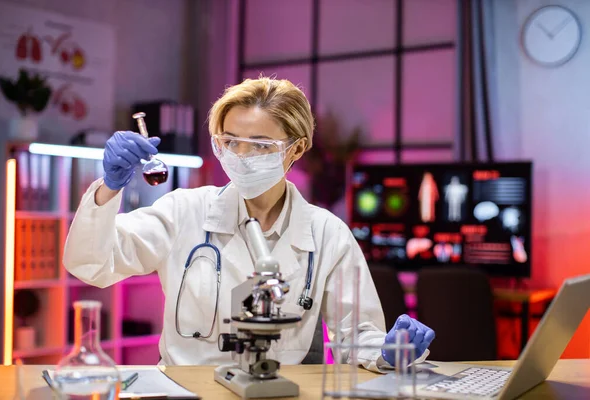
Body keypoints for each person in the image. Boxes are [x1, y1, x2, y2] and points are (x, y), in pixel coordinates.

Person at [63, 76, 435, 372]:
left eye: (259, 145)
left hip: (278, 390)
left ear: (297, 148)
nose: (240, 156)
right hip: (187, 389)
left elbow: (357, 336)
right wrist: (108, 190)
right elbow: (92, 264)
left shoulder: (327, 233)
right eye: (230, 142)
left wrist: (391, 352)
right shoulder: (183, 211)